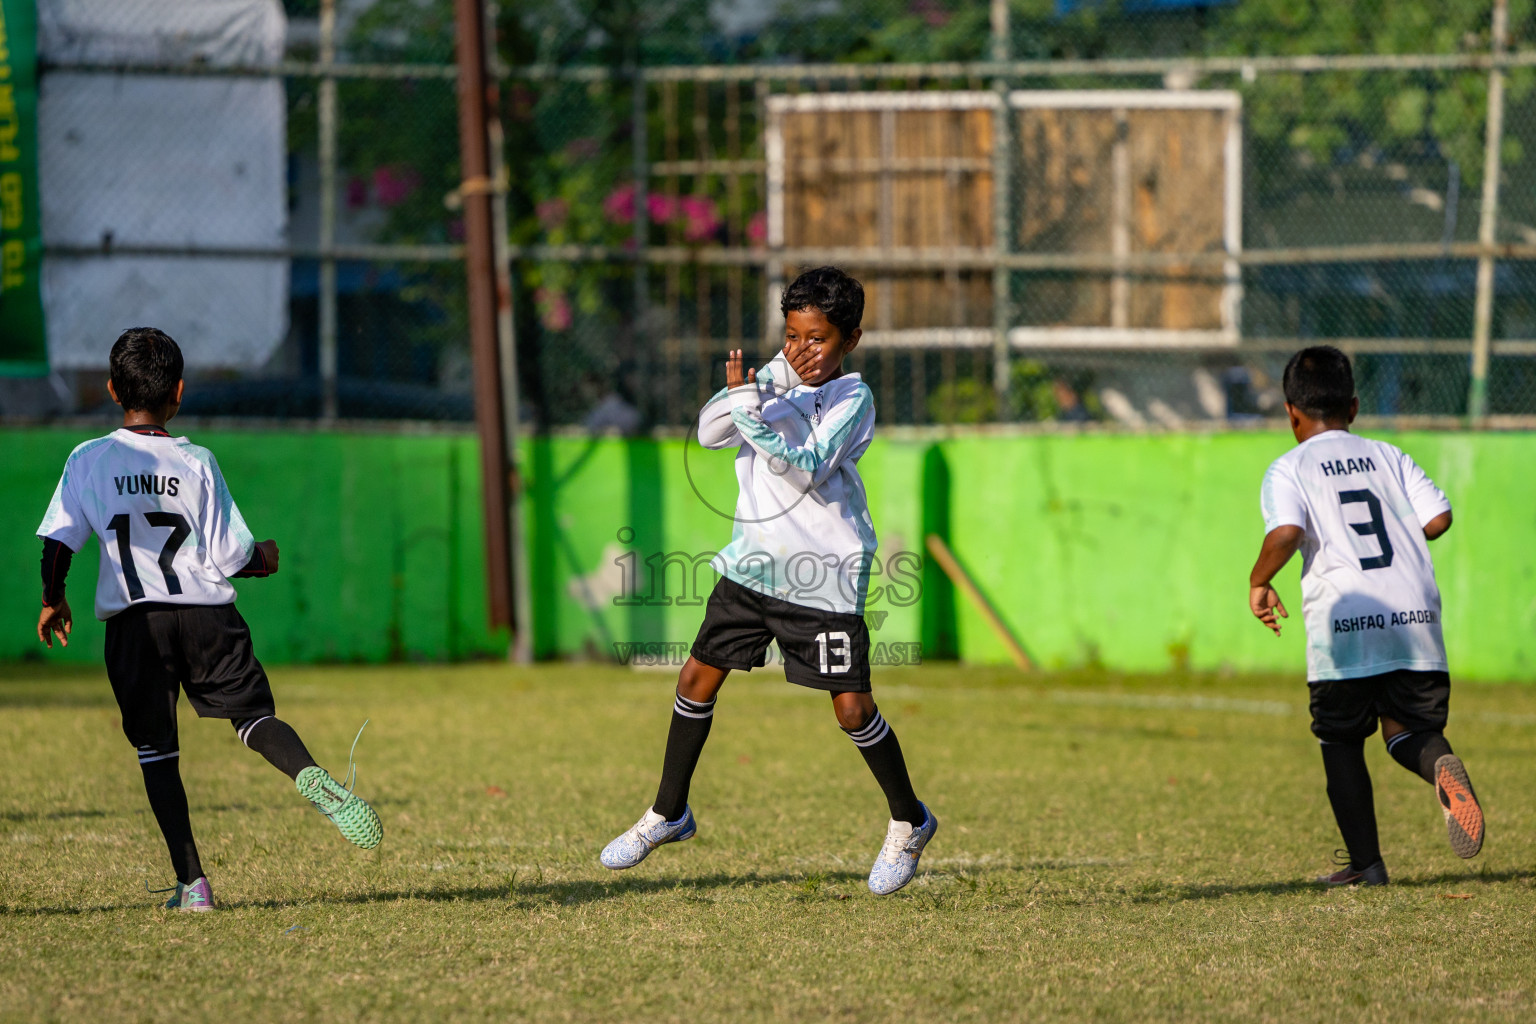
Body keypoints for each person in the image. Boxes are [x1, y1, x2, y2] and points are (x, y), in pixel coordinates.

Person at [599, 267, 937, 895]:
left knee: (852, 709)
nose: (802, 351)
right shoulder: (773, 378)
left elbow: (805, 467)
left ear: (851, 340)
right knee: (696, 677)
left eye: (818, 340)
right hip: (754, 563)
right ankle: (668, 813)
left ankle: (910, 820)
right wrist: (750, 393)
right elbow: (707, 433)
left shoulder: (851, 400)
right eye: (792, 335)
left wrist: (750, 411)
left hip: (823, 575)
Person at [35, 328, 382, 912]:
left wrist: (53, 597)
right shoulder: (196, 461)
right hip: (205, 618)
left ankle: (193, 885)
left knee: (157, 752)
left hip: (133, 625)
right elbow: (231, 555)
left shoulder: (87, 459)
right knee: (253, 719)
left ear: (114, 390)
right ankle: (311, 776)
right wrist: (264, 558)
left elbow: (58, 541)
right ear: (179, 391)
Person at [1247, 345, 1482, 886]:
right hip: (1413, 615)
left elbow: (1284, 532)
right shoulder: (1389, 454)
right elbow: (1439, 518)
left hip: (1345, 619)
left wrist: (1260, 581)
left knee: (1341, 738)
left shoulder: (1289, 467)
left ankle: (1367, 866)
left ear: (1291, 413)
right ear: (1352, 408)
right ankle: (1439, 767)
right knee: (1408, 730)